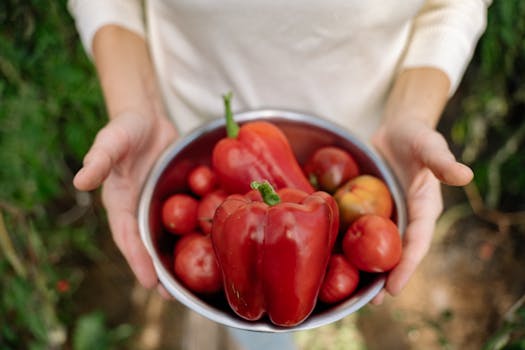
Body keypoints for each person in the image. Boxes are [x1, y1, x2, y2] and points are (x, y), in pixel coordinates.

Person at [68, 0, 490, 348]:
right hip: (183, 131)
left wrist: (413, 113)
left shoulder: (313, 206)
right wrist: (133, 104)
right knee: (260, 330)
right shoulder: (255, 209)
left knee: (287, 306)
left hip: (369, 143)